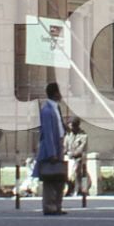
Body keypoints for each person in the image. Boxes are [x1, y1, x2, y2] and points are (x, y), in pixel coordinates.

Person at [35, 81, 67, 215]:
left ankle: (57, 205)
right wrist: (52, 152)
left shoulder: (56, 108)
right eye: (59, 92)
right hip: (51, 148)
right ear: (55, 93)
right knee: (50, 178)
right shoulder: (47, 110)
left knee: (59, 178)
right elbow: (47, 133)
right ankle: (49, 206)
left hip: (59, 145)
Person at [66, 118, 90, 199]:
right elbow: (65, 146)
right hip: (69, 158)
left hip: (79, 158)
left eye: (72, 126)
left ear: (76, 125)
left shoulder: (83, 135)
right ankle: (69, 188)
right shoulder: (68, 135)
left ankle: (79, 189)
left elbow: (82, 147)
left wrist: (74, 154)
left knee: (78, 171)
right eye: (69, 126)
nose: (70, 128)